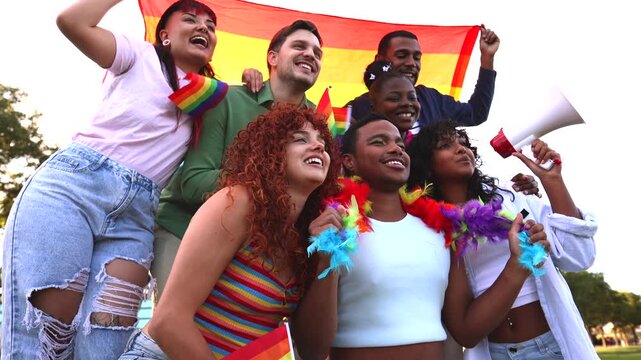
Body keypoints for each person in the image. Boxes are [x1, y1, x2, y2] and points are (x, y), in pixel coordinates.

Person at [1, 0, 220, 358]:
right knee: (47, 336)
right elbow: (72, 22)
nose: (204, 28)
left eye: (211, 25)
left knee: (106, 346)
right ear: (164, 35)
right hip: (74, 189)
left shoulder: (212, 97)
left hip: (135, 220)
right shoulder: (138, 54)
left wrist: (254, 82)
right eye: (192, 19)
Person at [293, 114, 547, 360]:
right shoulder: (332, 230)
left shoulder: (440, 230)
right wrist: (325, 257)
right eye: (379, 142)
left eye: (400, 144)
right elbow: (311, 351)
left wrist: (518, 266)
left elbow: (467, 332)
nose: (395, 149)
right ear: (349, 161)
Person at [118, 104, 340, 359]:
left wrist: (327, 259)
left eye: (323, 141)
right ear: (273, 154)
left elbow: (315, 352)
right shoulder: (238, 203)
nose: (318, 146)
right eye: (300, 139)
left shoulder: (308, 236)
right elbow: (167, 322)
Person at [152, 19, 324, 301]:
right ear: (272, 57)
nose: (310, 55)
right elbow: (194, 182)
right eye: (300, 46)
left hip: (260, 244)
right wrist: (266, 186)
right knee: (175, 326)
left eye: (317, 53)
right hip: (183, 229)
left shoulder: (318, 123)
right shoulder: (227, 99)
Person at [406, 120, 598, 359]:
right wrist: (517, 265)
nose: (461, 149)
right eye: (446, 145)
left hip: (554, 346)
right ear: (427, 163)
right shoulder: (425, 226)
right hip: (496, 353)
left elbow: (579, 257)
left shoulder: (512, 197)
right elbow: (465, 332)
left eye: (464, 144)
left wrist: (552, 181)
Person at [365, 64, 541, 196]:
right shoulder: (360, 143)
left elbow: (476, 113)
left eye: (413, 97)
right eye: (444, 146)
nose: (406, 103)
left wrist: (508, 192)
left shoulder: (427, 117)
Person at [347, 26, 499, 130]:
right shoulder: (354, 110)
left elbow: (476, 113)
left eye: (417, 57)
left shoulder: (431, 99)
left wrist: (487, 58)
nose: (411, 63)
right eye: (401, 56)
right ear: (380, 59)